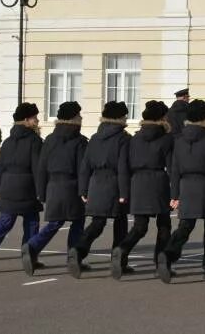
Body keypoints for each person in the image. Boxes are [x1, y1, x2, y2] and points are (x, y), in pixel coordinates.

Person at [0, 102, 43, 271]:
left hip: (7, 187)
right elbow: (37, 168)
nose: (37, 120)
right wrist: (41, 192)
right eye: (35, 117)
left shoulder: (8, 141)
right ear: (26, 120)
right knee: (32, 221)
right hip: (27, 188)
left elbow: (1, 166)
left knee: (5, 221)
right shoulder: (34, 141)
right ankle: (30, 254)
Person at [157, 99, 205, 283]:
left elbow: (174, 170)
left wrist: (174, 195)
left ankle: (168, 255)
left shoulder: (179, 140)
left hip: (185, 186)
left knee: (185, 226)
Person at [23, 101, 87, 276]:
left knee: (54, 222)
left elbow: (41, 167)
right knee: (78, 222)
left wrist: (41, 191)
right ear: (73, 118)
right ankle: (74, 257)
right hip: (72, 186)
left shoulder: (50, 139)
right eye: (79, 115)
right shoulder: (80, 141)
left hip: (53, 185)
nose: (81, 118)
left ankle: (32, 246)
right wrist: (84, 191)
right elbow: (82, 168)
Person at [70, 101, 131, 279]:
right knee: (120, 224)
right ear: (120, 117)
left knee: (97, 223)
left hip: (95, 182)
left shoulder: (95, 137)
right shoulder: (123, 138)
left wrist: (83, 189)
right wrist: (124, 193)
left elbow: (85, 166)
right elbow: (122, 168)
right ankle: (119, 260)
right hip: (113, 184)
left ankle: (78, 250)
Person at [113, 100, 174, 278]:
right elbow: (171, 166)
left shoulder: (134, 138)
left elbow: (125, 165)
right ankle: (161, 262)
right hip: (159, 182)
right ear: (162, 118)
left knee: (140, 226)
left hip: (137, 182)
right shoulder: (167, 138)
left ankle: (122, 249)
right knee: (164, 225)